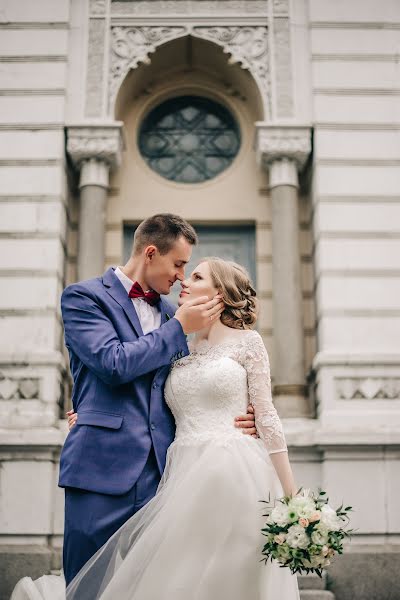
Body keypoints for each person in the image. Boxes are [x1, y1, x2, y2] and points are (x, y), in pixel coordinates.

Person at [10, 215, 258, 600]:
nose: (181, 276)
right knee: (88, 586)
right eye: (177, 264)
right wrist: (178, 327)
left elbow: (187, 384)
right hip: (100, 467)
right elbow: (112, 363)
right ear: (151, 252)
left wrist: (241, 412)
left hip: (166, 476)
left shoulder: (169, 312)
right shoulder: (84, 297)